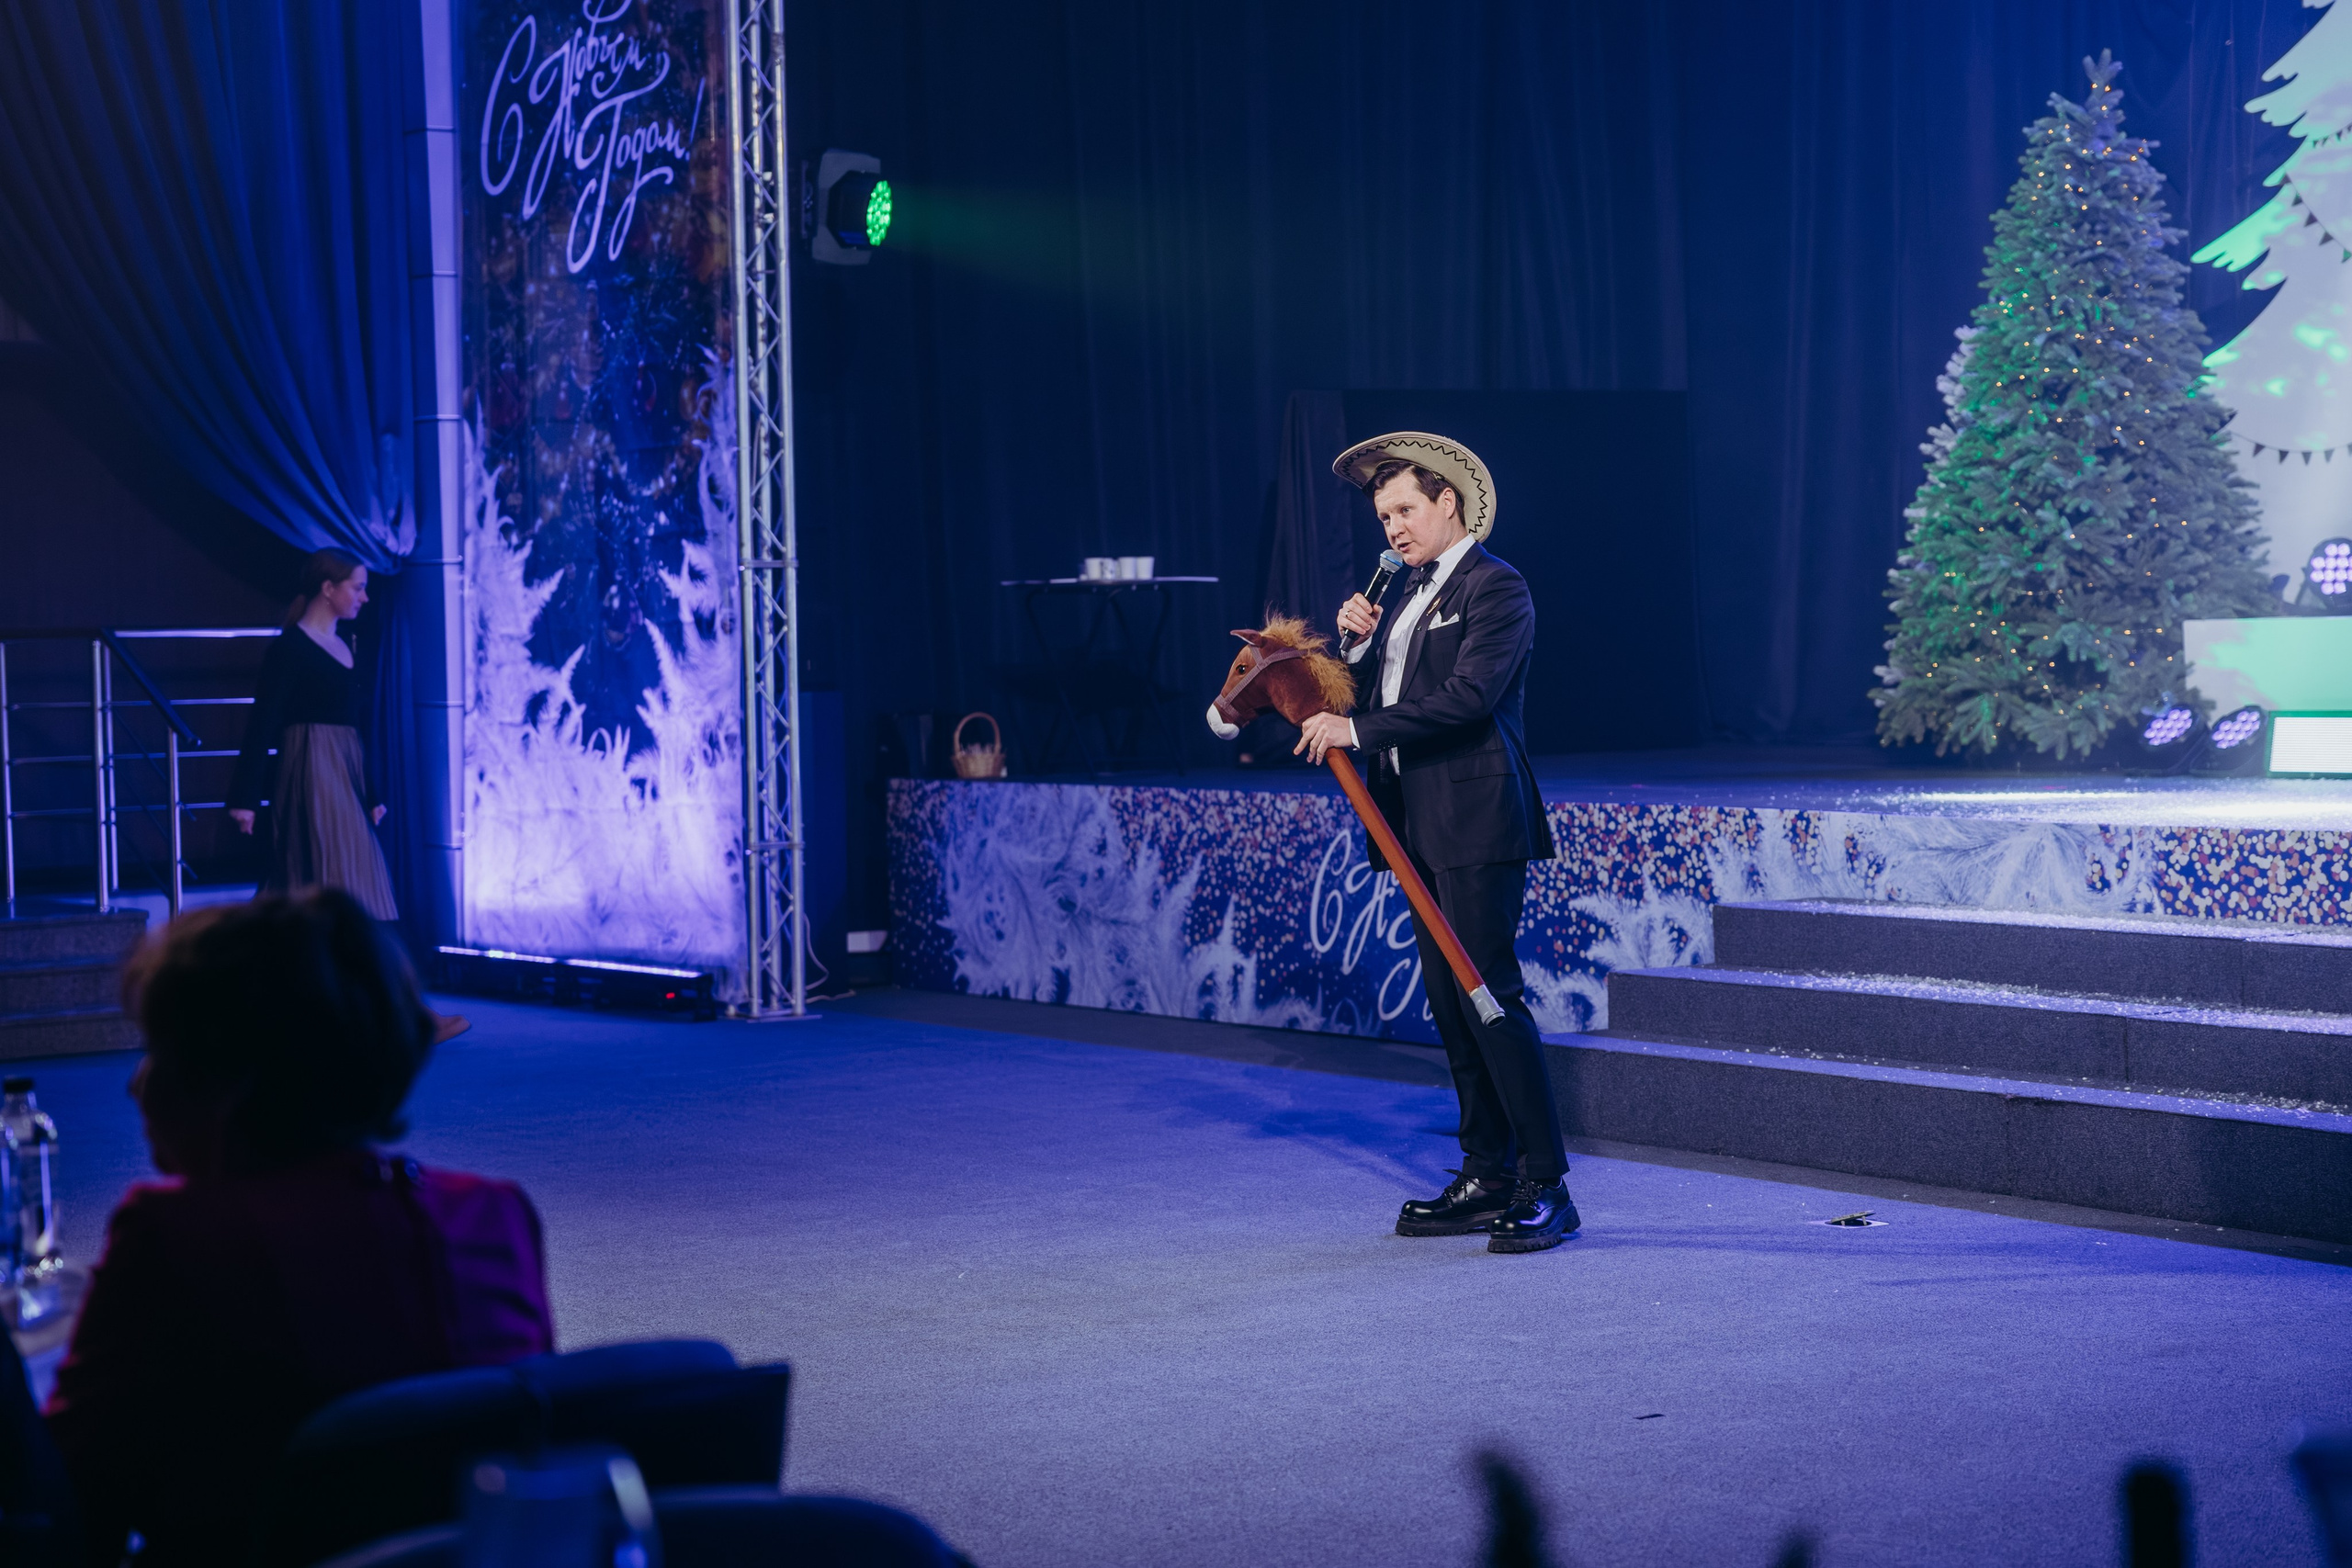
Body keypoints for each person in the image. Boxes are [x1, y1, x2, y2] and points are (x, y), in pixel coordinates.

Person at [42, 890, 554, 1566]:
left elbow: (64, 1506)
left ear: (228, 1074)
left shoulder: (174, 1236)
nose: (136, 1085)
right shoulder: (496, 1215)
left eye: (158, 1048)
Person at [1295, 432, 1577, 1254]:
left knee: (1489, 995)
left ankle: (1547, 1184)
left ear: (1447, 500)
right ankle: (1487, 1171)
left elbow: (1466, 699)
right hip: (1414, 823)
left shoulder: (1498, 587)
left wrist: (1352, 722)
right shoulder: (1406, 595)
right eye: (1384, 515)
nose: (1393, 527)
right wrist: (1353, 647)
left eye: (1406, 509)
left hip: (1478, 816)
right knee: (1452, 1006)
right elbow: (1385, 691)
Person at [228, 549, 398, 920]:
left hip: (345, 767)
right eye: (358, 588)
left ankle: (336, 962)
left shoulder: (347, 644)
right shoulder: (290, 649)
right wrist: (245, 797)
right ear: (327, 588)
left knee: (352, 870)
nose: (364, 598)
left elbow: (357, 727)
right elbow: (262, 723)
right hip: (311, 763)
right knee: (325, 867)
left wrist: (371, 792)